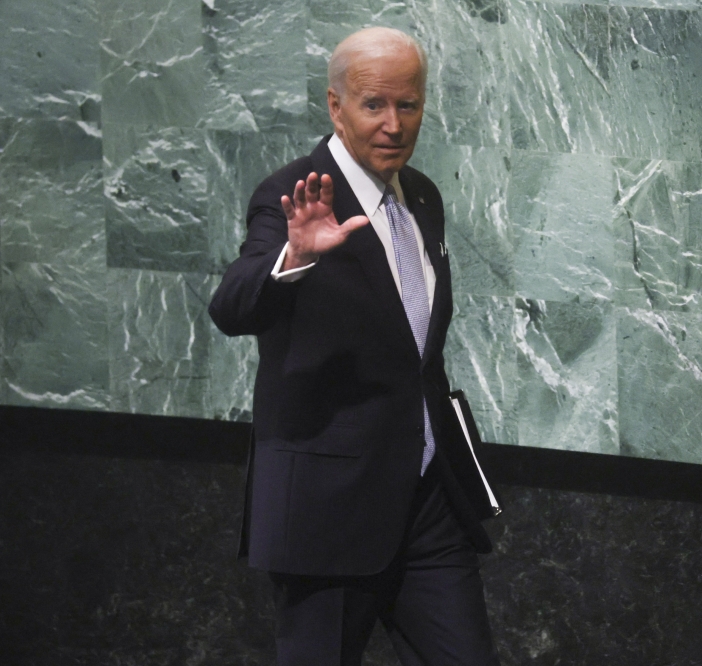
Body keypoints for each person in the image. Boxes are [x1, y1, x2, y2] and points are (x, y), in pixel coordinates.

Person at [208, 26, 500, 665]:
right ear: (335, 106)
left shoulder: (422, 196)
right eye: (374, 105)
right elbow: (232, 305)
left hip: (428, 508)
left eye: (410, 105)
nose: (394, 124)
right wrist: (293, 257)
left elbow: (415, 352)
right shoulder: (293, 196)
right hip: (327, 512)